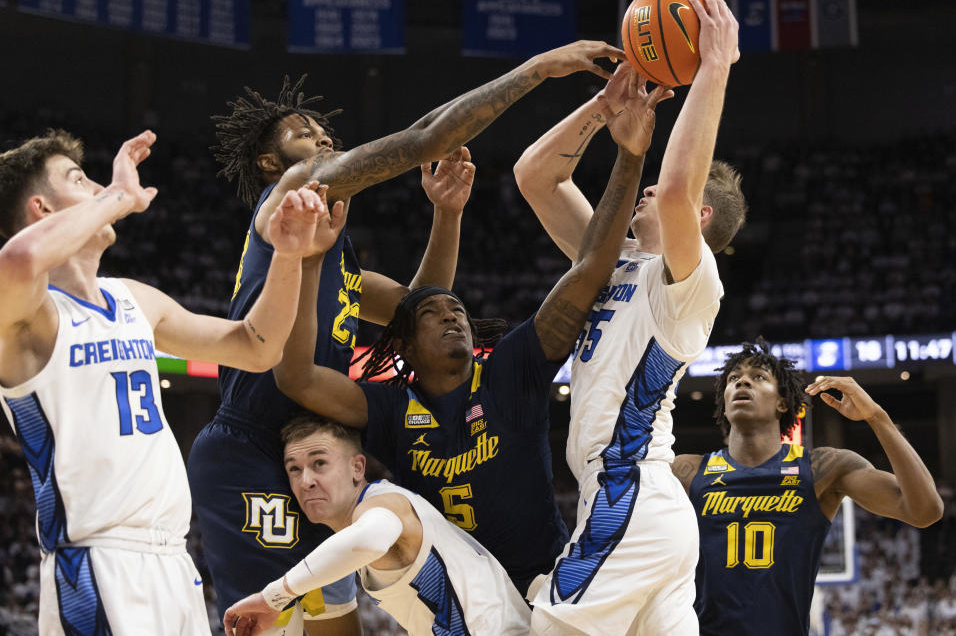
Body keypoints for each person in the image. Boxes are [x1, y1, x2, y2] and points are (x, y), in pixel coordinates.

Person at [188, 38, 624, 632]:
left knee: (335, 624)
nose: (322, 140)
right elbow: (425, 141)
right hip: (252, 443)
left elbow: (418, 313)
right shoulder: (287, 198)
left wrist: (446, 214)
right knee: (265, 623)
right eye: (303, 132)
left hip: (322, 449)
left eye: (325, 134)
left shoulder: (336, 257)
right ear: (272, 162)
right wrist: (536, 71)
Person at [272, 62, 660, 596]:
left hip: (544, 584)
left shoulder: (511, 368)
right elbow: (296, 377)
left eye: (456, 309)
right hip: (459, 598)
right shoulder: (388, 408)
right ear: (404, 344)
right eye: (432, 314)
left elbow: (591, 267)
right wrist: (311, 260)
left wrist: (630, 155)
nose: (452, 315)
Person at [0, 129, 340, 634]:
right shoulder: (26, 317)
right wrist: (119, 195)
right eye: (80, 179)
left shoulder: (135, 299)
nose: (98, 188)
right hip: (97, 564)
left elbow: (256, 346)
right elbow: (21, 260)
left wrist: (287, 256)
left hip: (173, 564)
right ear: (42, 210)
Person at [513, 0, 744, 635]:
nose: (644, 193)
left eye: (658, 197)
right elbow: (535, 177)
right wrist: (601, 108)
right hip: (634, 506)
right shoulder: (612, 262)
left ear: (699, 220)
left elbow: (673, 189)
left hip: (629, 495)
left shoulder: (690, 284)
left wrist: (713, 67)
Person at [671, 340, 944, 636]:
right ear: (724, 404)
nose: (743, 381)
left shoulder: (821, 469)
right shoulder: (687, 471)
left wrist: (876, 417)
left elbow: (925, 510)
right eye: (734, 378)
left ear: (783, 402)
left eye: (758, 376)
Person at [222, 414, 532, 636]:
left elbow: (371, 537)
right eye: (294, 469)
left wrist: (274, 596)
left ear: (357, 467)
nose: (306, 481)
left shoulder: (383, 503)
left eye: (319, 463)